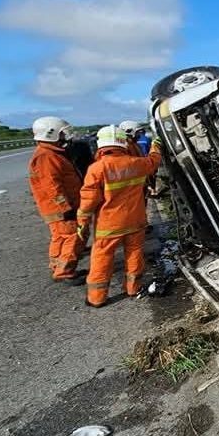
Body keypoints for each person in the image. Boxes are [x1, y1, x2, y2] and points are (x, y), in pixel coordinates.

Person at [77, 125, 162, 308]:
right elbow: (154, 161)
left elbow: (88, 201)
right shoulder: (137, 163)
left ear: (101, 145)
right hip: (136, 221)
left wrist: (82, 222)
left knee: (102, 258)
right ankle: (133, 288)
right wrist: (156, 145)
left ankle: (97, 298)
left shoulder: (96, 169)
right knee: (134, 253)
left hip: (109, 225)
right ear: (123, 143)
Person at [28, 116, 86, 285]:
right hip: (59, 207)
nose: (64, 137)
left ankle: (57, 266)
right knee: (72, 237)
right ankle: (64, 271)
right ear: (51, 134)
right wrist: (65, 207)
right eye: (62, 134)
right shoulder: (47, 156)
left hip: (51, 207)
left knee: (59, 237)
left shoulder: (49, 153)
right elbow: (52, 185)